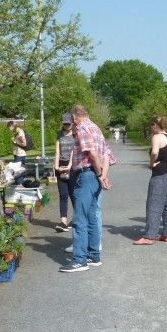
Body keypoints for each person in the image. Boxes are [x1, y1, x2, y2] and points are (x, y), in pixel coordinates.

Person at [60, 104, 116, 273]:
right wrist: (103, 176)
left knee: (80, 218)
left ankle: (79, 260)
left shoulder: (83, 128)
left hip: (86, 174)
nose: (73, 123)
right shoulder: (96, 128)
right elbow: (107, 154)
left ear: (75, 117)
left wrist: (99, 174)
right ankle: (93, 256)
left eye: (72, 120)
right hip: (94, 175)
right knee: (92, 217)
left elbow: (91, 153)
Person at [134, 116, 167, 245]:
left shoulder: (156, 137)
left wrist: (151, 163)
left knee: (154, 204)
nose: (150, 127)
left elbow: (155, 152)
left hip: (160, 175)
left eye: (151, 124)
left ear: (156, 125)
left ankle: (149, 236)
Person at [54, 113, 75, 232]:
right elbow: (57, 151)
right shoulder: (59, 134)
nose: (67, 125)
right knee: (63, 195)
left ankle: (77, 219)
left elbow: (75, 151)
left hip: (72, 165)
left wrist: (69, 166)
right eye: (65, 123)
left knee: (73, 194)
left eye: (68, 123)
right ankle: (63, 222)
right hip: (61, 164)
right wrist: (56, 167)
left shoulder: (75, 134)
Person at [7, 120, 27, 185]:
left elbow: (24, 144)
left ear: (12, 126)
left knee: (18, 171)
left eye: (9, 127)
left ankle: (20, 186)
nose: (9, 129)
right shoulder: (16, 132)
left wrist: (15, 142)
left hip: (20, 154)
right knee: (18, 170)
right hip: (17, 154)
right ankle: (19, 185)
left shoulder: (20, 132)